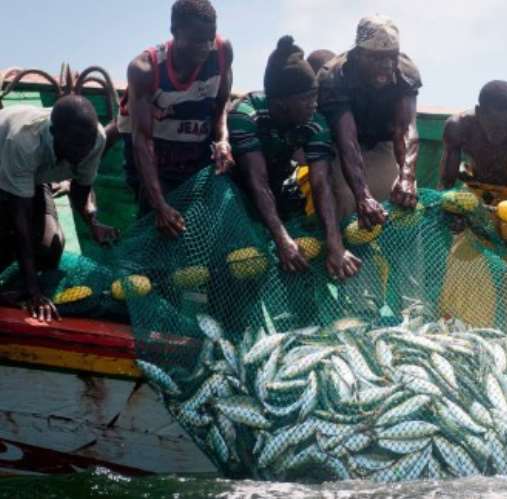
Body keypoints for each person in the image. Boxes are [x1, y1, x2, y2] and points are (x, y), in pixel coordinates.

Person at [228, 36, 360, 280]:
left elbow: (321, 184)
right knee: (238, 263)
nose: (314, 105)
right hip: (235, 191)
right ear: (281, 103)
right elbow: (257, 182)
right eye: (306, 99)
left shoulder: (314, 122)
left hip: (278, 186)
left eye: (314, 96)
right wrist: (282, 239)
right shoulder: (245, 114)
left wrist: (335, 244)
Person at [118, 0, 234, 238]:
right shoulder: (145, 69)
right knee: (157, 225)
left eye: (209, 38)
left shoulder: (222, 52)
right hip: (155, 155)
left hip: (193, 151)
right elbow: (142, 141)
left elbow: (221, 104)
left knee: (199, 226)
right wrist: (159, 205)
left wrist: (223, 139)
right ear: (174, 31)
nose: (205, 47)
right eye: (197, 40)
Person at [0, 96, 119, 321]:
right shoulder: (23, 142)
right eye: (76, 144)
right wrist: (33, 291)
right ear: (54, 133)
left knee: (51, 247)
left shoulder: (96, 139)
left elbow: (80, 191)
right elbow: (21, 222)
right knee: (9, 239)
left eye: (87, 143)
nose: (84, 151)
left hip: (35, 176)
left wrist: (92, 223)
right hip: (5, 164)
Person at [318, 15, 421, 228]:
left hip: (383, 143)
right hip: (340, 147)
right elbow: (347, 142)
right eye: (376, 58)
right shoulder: (334, 76)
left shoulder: (405, 71)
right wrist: (362, 196)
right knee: (347, 198)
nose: (387, 65)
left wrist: (407, 176)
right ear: (358, 54)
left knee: (404, 199)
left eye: (391, 57)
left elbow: (405, 128)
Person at [439, 81, 507, 273]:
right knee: (462, 256)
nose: (501, 134)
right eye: (495, 126)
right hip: (476, 196)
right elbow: (446, 183)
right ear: (479, 112)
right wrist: (450, 213)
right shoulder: (458, 126)